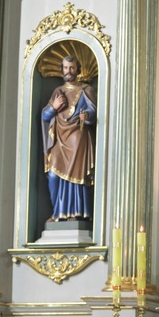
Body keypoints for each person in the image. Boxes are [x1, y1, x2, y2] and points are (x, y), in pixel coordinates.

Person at [41, 54, 96, 222]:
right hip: (59, 138)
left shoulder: (86, 90)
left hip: (77, 137)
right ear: (62, 70)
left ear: (77, 69)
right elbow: (44, 115)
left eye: (72, 68)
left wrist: (86, 115)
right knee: (53, 175)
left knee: (77, 177)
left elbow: (93, 112)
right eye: (65, 68)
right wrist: (54, 107)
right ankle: (57, 214)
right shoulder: (57, 92)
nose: (69, 71)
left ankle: (75, 214)